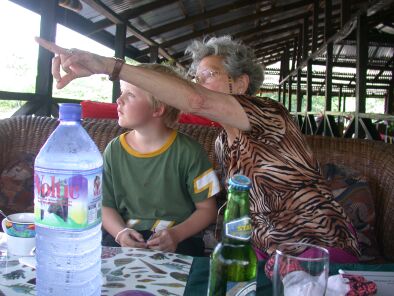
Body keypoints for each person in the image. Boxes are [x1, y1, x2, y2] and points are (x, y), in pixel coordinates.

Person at [35, 35, 360, 263]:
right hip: (267, 256)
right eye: (195, 77)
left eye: (208, 75)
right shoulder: (222, 142)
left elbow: (195, 100)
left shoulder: (268, 113)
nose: (196, 85)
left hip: (316, 247)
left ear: (241, 84)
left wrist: (108, 65)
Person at [101, 63, 220, 257]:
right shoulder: (113, 150)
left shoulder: (189, 152)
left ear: (158, 109)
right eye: (122, 92)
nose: (119, 100)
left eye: (129, 95)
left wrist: (176, 234)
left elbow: (208, 209)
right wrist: (120, 233)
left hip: (178, 239)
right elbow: (105, 205)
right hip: (123, 237)